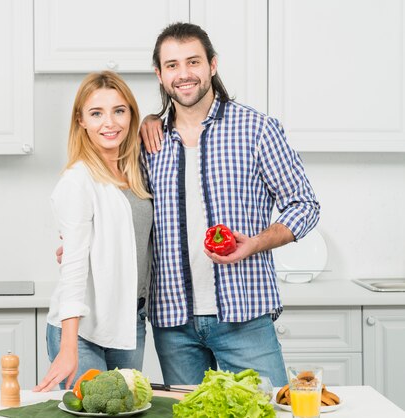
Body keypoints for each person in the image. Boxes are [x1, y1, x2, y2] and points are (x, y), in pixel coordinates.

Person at [138, 22, 320, 387]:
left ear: (212, 65)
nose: (184, 74)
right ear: (159, 74)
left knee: (264, 411)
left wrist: (255, 242)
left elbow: (305, 205)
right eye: (172, 65)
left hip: (244, 313)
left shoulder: (257, 129)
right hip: (173, 321)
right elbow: (126, 208)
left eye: (193, 62)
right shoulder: (149, 140)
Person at [33, 71, 153, 392]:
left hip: (129, 321)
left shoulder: (136, 173)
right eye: (96, 113)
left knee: (129, 411)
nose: (109, 123)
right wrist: (68, 348)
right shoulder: (78, 180)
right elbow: (73, 268)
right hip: (82, 331)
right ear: (81, 120)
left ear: (131, 114)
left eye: (119, 110)